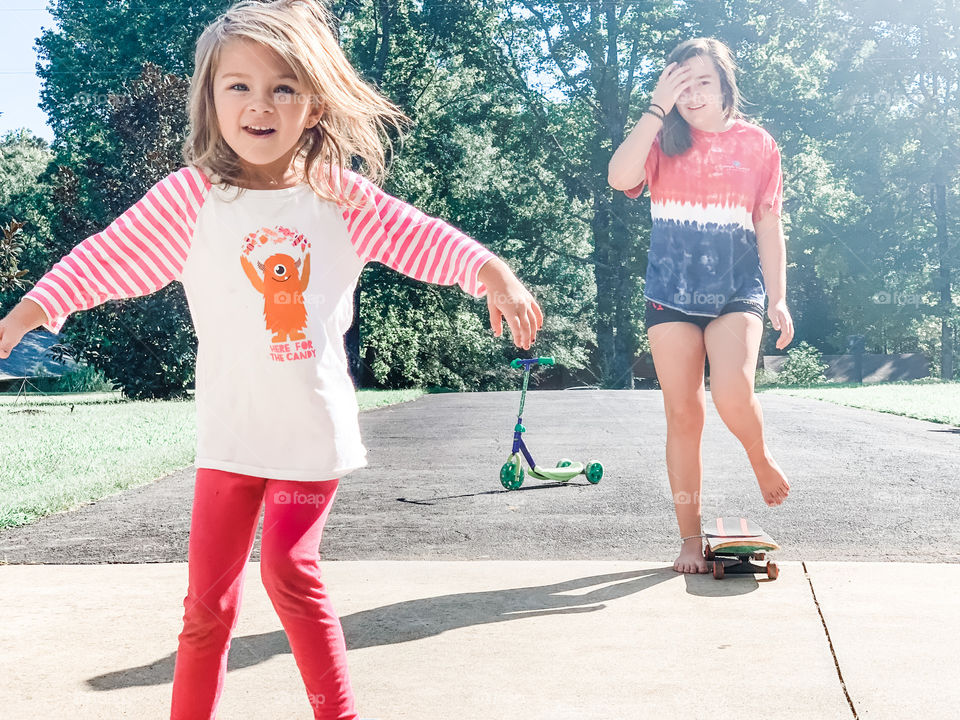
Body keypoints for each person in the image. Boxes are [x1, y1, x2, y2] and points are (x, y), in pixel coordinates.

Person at [0, 1, 543, 717]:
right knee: (207, 606)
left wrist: (491, 272)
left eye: (283, 87)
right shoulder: (191, 201)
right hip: (229, 439)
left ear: (314, 103)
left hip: (308, 438)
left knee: (290, 570)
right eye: (240, 87)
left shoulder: (340, 200)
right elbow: (108, 258)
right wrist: (30, 311)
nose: (260, 105)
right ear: (212, 98)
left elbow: (429, 239)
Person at [608, 37, 793, 574]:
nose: (692, 93)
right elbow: (620, 177)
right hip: (670, 294)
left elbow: (768, 222)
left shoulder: (758, 145)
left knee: (733, 392)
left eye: (702, 81)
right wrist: (654, 110)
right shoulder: (660, 141)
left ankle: (758, 458)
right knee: (683, 414)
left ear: (725, 85)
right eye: (680, 82)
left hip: (736, 290)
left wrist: (778, 296)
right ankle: (690, 537)